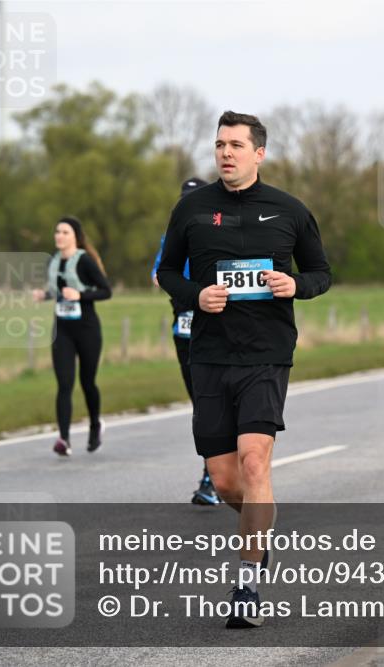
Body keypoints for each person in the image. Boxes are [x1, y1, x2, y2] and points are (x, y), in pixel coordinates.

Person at [157, 111, 331, 628]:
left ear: (259, 153)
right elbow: (166, 271)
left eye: (235, 145)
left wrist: (296, 285)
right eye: (219, 145)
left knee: (255, 464)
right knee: (226, 479)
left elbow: (322, 272)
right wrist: (196, 294)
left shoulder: (289, 211)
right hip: (209, 355)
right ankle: (260, 528)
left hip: (266, 353)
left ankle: (248, 584)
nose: (225, 153)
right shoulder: (191, 209)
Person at [152, 176, 220, 506]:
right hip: (184, 326)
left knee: (215, 404)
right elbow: (158, 275)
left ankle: (214, 476)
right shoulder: (172, 237)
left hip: (219, 330)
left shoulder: (223, 233)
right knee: (201, 405)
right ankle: (216, 471)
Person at [32, 216, 112, 456]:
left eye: (65, 232)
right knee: (64, 384)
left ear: (75, 236)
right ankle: (63, 439)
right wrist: (45, 295)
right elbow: (58, 293)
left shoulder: (85, 261)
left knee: (88, 383)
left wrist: (80, 295)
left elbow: (106, 291)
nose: (59, 236)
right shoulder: (53, 262)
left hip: (87, 329)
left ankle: (95, 425)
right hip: (62, 330)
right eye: (57, 231)